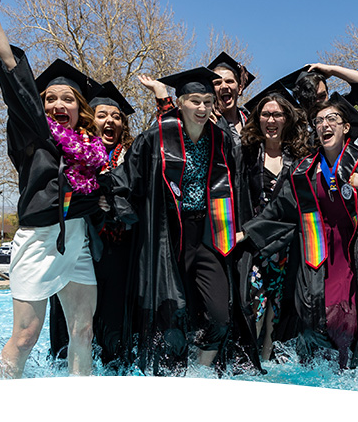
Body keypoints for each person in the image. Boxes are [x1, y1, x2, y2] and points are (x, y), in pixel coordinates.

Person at [0, 0, 108, 378]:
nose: (57, 105)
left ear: (79, 108)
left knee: (83, 330)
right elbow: (15, 78)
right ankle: (3, 398)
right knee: (25, 336)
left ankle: (79, 402)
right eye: (49, 98)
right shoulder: (33, 132)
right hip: (38, 241)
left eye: (67, 98)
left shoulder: (89, 148)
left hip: (77, 239)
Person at [113, 66, 260, 375]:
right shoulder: (157, 135)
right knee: (172, 313)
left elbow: (238, 187)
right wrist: (125, 213)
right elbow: (127, 179)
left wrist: (243, 230)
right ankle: (172, 378)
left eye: (208, 101)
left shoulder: (221, 140)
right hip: (168, 234)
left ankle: (202, 373)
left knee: (221, 314)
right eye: (195, 100)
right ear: (179, 102)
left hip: (209, 232)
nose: (203, 107)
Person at [242, 93, 358, 369]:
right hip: (315, 252)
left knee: (344, 320)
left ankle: (347, 377)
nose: (324, 125)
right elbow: (279, 210)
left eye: (332, 119)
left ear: (346, 127)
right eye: (319, 120)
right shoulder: (303, 170)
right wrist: (247, 232)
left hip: (351, 251)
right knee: (312, 319)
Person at [48, 81, 138, 370]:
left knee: (113, 317)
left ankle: (113, 371)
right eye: (102, 115)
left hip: (118, 253)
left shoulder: (133, 157)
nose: (109, 121)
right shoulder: (73, 154)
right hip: (79, 245)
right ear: (91, 119)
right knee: (73, 320)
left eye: (116, 116)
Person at [239, 81, 311, 361]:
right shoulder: (246, 153)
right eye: (266, 114)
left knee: (276, 307)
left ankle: (267, 363)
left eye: (277, 115)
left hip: (285, 244)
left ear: (287, 119)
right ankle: (249, 362)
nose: (271, 120)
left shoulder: (299, 157)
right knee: (253, 302)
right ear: (258, 119)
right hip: (253, 242)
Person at [278, 64, 358, 115]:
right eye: (312, 99)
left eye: (322, 96)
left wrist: (332, 70)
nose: (319, 102)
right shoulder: (295, 125)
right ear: (301, 100)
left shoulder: (341, 111)